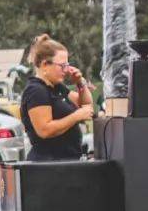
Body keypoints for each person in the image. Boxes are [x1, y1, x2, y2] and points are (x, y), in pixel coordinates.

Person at [19, 34, 93, 162]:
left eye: (67, 65)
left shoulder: (57, 87)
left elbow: (85, 104)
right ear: (45, 65)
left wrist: (80, 83)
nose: (66, 70)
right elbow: (44, 130)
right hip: (48, 163)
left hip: (67, 160)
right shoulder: (36, 91)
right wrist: (76, 116)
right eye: (62, 65)